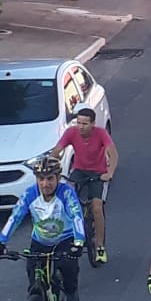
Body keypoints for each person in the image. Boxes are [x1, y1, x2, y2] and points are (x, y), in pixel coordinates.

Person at [0, 155, 85, 301]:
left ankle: (72, 294)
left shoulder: (66, 193)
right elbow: (15, 217)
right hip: (40, 242)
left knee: (69, 270)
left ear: (58, 178)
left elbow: (77, 217)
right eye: (40, 179)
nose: (45, 184)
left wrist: (79, 243)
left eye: (49, 179)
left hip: (65, 241)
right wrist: (1, 242)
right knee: (34, 282)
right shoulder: (30, 194)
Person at [50, 106, 117, 264]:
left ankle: (100, 246)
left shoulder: (101, 133)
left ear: (93, 124)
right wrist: (51, 165)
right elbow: (57, 151)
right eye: (79, 123)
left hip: (97, 172)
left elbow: (113, 154)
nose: (81, 126)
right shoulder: (71, 132)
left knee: (96, 207)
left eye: (85, 124)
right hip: (79, 170)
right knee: (68, 197)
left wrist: (110, 172)